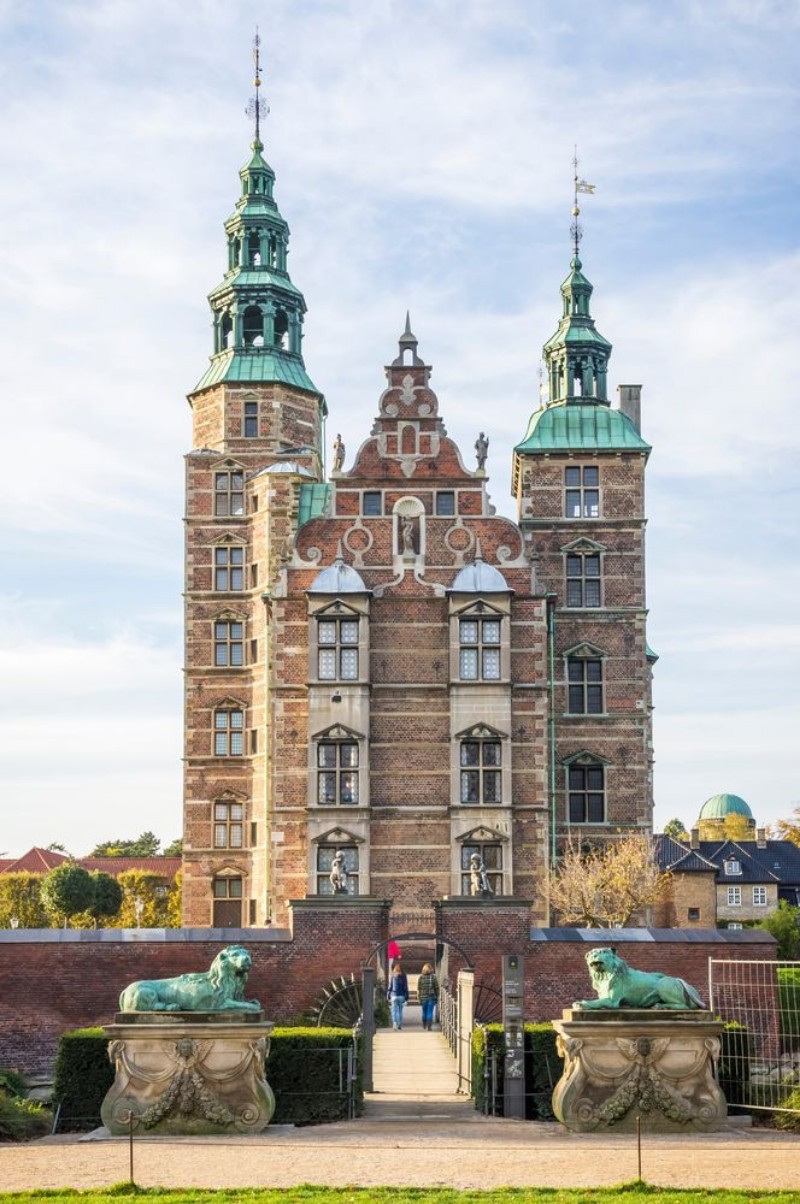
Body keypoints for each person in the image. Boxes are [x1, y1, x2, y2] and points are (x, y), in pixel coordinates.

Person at [417, 962, 439, 1031]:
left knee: (424, 1012)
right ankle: (429, 1026)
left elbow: (419, 988)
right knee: (430, 1012)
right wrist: (437, 995)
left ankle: (424, 1024)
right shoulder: (433, 977)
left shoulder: (420, 977)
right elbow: (436, 987)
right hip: (431, 997)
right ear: (431, 969)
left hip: (423, 998)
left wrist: (419, 997)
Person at [387, 963, 409, 1030]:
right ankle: (399, 1024)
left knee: (394, 1010)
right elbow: (405, 987)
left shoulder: (393, 976)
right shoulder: (404, 976)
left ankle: (394, 1023)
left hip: (394, 996)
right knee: (400, 1010)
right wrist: (407, 996)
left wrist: (388, 995)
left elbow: (390, 986)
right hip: (401, 996)